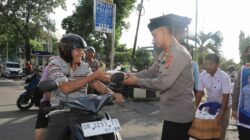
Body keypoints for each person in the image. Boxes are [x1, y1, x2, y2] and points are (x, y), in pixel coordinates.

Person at [122, 15, 195, 140]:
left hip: (180, 115)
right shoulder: (166, 53)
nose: (153, 40)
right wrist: (130, 76)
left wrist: (137, 81)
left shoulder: (178, 53)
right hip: (171, 113)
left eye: (154, 35)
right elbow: (150, 72)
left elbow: (163, 83)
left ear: (164, 32)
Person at [44, 34, 124, 140]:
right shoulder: (54, 65)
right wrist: (93, 76)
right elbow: (66, 87)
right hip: (61, 111)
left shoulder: (85, 66)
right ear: (66, 51)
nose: (82, 53)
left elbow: (96, 83)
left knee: (110, 134)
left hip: (83, 110)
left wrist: (113, 94)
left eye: (82, 50)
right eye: (78, 50)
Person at [196, 53, 231, 140]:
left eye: (210, 64)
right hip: (210, 105)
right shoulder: (202, 76)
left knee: (220, 132)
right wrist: (194, 110)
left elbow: (226, 97)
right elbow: (199, 94)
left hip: (224, 106)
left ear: (217, 65)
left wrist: (221, 114)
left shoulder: (224, 77)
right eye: (206, 63)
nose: (207, 66)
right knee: (207, 132)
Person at [34, 56, 57, 140]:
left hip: (73, 103)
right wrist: (55, 101)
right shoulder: (50, 67)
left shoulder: (80, 66)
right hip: (49, 101)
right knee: (41, 129)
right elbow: (44, 86)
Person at [232, 53, 250, 140]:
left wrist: (235, 109)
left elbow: (236, 90)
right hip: (245, 113)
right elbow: (237, 91)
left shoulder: (243, 71)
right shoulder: (242, 72)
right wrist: (235, 109)